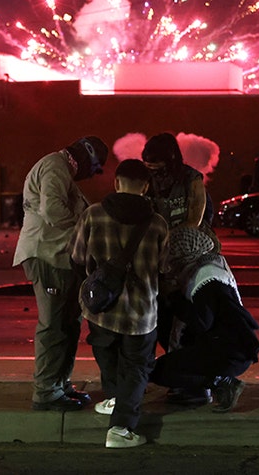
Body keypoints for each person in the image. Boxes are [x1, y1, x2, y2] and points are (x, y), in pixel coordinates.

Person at [69, 158, 170, 449]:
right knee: (136, 367)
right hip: (141, 311)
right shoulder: (157, 223)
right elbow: (165, 269)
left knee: (107, 353)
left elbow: (75, 257)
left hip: (101, 308)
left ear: (116, 183)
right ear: (146, 186)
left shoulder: (93, 214)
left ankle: (114, 400)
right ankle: (122, 428)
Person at [13, 135, 110, 411]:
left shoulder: (60, 169)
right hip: (47, 256)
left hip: (60, 258)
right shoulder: (55, 166)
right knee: (54, 325)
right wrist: (86, 228)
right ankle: (46, 392)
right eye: (95, 167)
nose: (91, 175)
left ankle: (59, 385)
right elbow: (53, 209)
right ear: (87, 157)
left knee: (68, 325)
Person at [141, 132, 220, 405]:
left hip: (189, 263)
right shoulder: (147, 181)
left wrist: (174, 252)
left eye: (158, 167)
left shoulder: (191, 180)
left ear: (171, 160)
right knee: (161, 324)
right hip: (158, 266)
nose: (155, 174)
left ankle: (193, 385)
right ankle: (178, 380)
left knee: (186, 325)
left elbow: (195, 221)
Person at [151, 227, 259, 412]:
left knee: (157, 371)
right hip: (226, 349)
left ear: (185, 253)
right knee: (168, 365)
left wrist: (174, 297)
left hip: (228, 353)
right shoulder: (209, 267)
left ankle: (222, 381)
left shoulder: (207, 276)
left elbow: (201, 322)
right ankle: (208, 385)